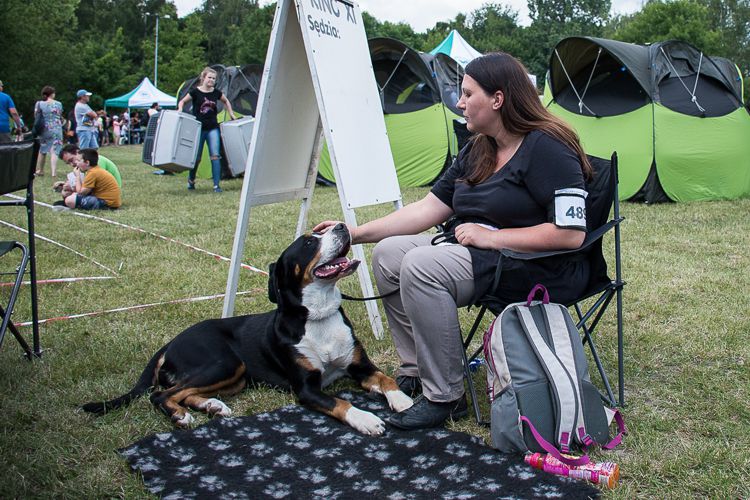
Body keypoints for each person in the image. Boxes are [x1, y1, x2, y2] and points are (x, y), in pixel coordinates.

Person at [314, 52, 593, 430]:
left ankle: (446, 395)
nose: (459, 103)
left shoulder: (547, 148)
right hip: (475, 254)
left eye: (467, 93)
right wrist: (353, 234)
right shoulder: (480, 147)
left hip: (531, 265)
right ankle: (416, 366)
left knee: (420, 265)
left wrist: (492, 238)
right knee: (389, 254)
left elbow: (571, 234)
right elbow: (427, 209)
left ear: (497, 99)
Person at [177, 66, 236, 192]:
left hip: (213, 128)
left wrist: (231, 113)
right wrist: (180, 110)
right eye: (209, 77)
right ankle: (191, 181)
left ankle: (216, 185)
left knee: (215, 155)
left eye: (214, 78)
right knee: (196, 157)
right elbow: (182, 102)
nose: (211, 80)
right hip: (199, 128)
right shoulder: (195, 92)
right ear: (203, 78)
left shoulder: (216, 93)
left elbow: (226, 101)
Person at [34, 86, 65, 177]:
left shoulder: (39, 104)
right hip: (56, 128)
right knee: (54, 150)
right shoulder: (58, 104)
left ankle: (40, 170)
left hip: (44, 129)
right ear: (52, 94)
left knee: (42, 150)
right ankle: (53, 172)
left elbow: (36, 116)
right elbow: (60, 115)